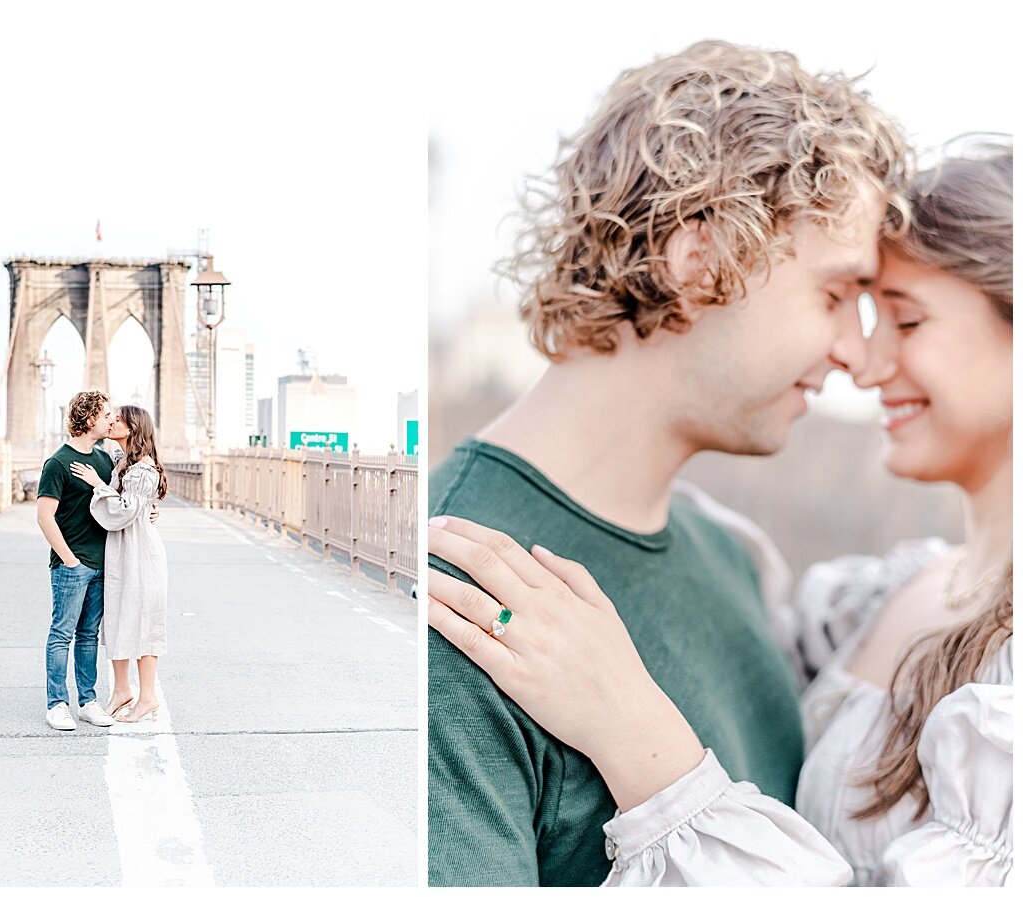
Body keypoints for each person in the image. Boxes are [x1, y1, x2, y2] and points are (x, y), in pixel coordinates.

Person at [428, 147, 1012, 885]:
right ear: (695, 254)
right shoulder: (853, 598)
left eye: (906, 319)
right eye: (840, 298)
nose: (861, 361)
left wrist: (636, 731)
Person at [70, 404, 169, 725]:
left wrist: (98, 485)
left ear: (132, 428)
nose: (110, 423)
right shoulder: (121, 461)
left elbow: (124, 510)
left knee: (144, 619)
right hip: (122, 551)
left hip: (139, 553)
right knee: (117, 618)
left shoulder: (143, 470)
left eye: (117, 420)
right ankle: (122, 690)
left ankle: (148, 696)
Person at [36, 390, 119, 731]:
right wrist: (69, 560)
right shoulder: (57, 463)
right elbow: (44, 516)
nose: (111, 420)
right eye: (106, 415)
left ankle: (87, 701)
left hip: (102, 562)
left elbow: (117, 502)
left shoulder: (105, 460)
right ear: (88, 420)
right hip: (71, 565)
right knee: (62, 634)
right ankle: (56, 704)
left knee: (89, 636)